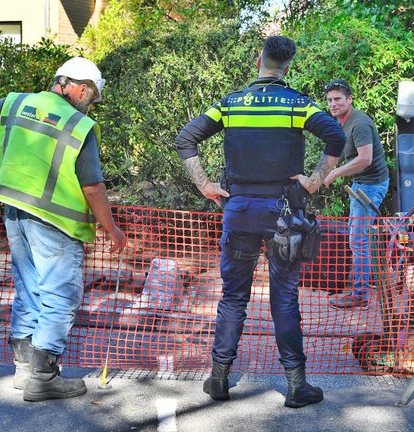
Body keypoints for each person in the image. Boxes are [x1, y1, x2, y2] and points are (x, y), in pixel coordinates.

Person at [175, 36, 346, 408]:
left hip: (239, 209)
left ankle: (219, 379)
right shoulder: (298, 104)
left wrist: (205, 184)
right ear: (288, 67)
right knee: (284, 297)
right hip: (284, 211)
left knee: (233, 296)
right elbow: (336, 135)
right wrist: (315, 180)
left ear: (259, 61)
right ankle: (297, 386)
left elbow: (186, 137)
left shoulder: (231, 104)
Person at [0, 57, 127, 402]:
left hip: (15, 215)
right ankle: (44, 376)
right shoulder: (79, 125)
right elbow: (93, 187)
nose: (92, 106)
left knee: (29, 288)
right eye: (92, 98)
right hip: (56, 223)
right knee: (60, 295)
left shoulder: (16, 103)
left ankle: (24, 369)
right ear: (81, 89)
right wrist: (112, 229)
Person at [322, 80, 390, 310]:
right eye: (330, 100)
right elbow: (339, 154)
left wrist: (335, 174)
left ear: (349, 99)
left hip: (371, 186)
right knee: (357, 239)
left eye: (338, 99)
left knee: (359, 241)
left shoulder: (359, 123)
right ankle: (365, 285)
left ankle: (360, 296)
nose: (333, 104)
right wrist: (317, 174)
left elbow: (365, 159)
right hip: (361, 183)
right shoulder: (340, 122)